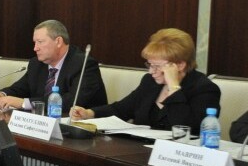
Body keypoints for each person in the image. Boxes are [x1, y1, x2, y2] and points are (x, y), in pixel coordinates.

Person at [70, 29, 219, 134]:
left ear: (180, 65)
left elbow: (187, 126)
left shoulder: (205, 89)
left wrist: (174, 87)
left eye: (157, 66)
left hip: (179, 159)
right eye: (149, 64)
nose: (151, 71)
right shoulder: (150, 82)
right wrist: (89, 113)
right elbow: (122, 108)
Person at [0, 19, 107, 112]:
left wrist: (24, 103)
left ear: (58, 41)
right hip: (43, 124)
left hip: (83, 128)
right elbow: (20, 88)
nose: (35, 48)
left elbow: (72, 101)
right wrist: (2, 94)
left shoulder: (84, 64)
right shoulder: (37, 63)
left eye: (40, 42)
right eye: (35, 43)